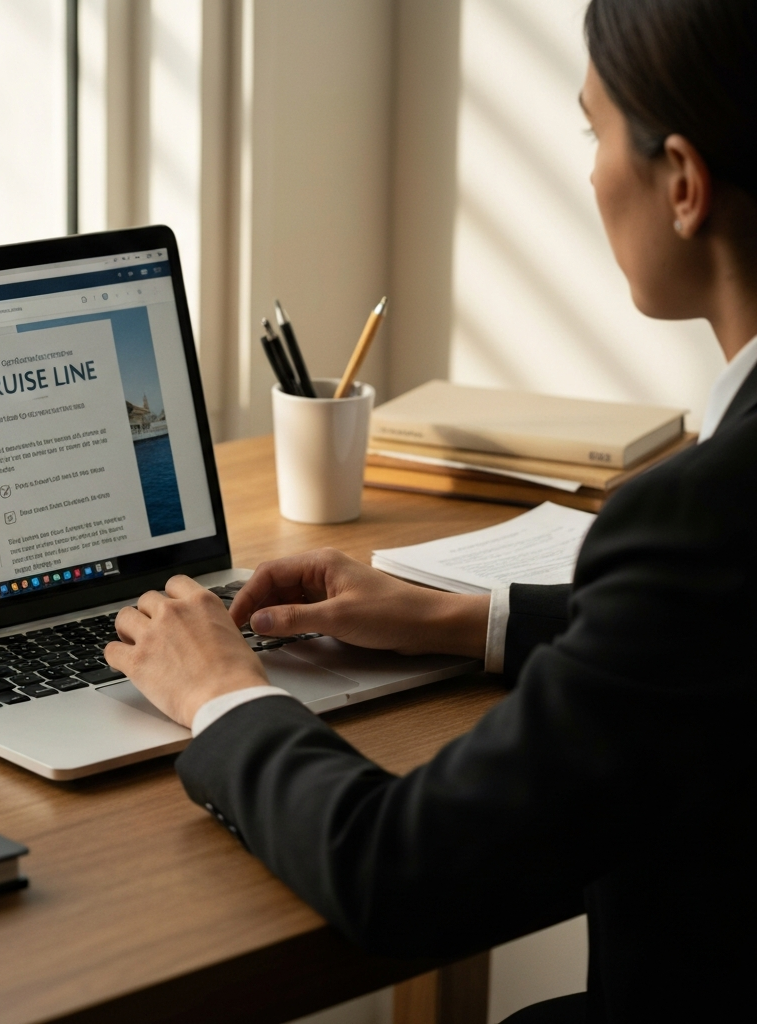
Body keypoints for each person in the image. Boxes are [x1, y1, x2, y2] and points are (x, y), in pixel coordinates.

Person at [105, 0, 757, 1019]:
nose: (588, 173)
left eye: (592, 131)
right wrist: (465, 620)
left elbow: (402, 873)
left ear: (682, 181)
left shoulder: (700, 515)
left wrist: (222, 695)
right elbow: (716, 645)